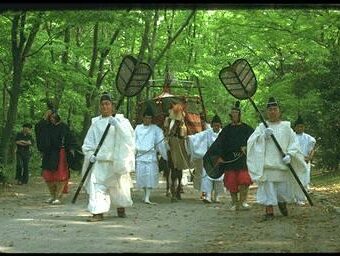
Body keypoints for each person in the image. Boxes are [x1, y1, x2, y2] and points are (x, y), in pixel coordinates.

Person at [247, 97, 308, 221]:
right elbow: (251, 142)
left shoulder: (287, 127)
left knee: (282, 190)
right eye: (270, 110)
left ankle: (282, 203)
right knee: (268, 188)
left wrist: (289, 155)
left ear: (279, 111)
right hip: (267, 165)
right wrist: (263, 137)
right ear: (266, 112)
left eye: (275, 109)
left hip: (282, 165)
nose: (272, 112)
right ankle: (269, 211)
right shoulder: (261, 127)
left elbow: (294, 143)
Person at [81, 92, 135, 222]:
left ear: (113, 106)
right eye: (102, 104)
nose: (105, 107)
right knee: (97, 186)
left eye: (107, 104)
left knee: (119, 186)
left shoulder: (122, 121)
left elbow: (129, 139)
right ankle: (98, 212)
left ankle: (121, 207)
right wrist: (90, 155)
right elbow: (88, 143)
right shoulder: (95, 123)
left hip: (116, 161)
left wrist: (118, 125)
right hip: (99, 162)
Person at [207, 101, 254, 210]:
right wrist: (218, 157)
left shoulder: (247, 129)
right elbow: (218, 144)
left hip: (242, 159)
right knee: (231, 182)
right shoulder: (226, 130)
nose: (234, 115)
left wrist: (247, 147)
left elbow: (255, 140)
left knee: (244, 180)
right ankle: (234, 203)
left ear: (239, 114)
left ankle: (243, 202)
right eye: (232, 113)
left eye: (236, 113)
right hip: (229, 160)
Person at [35, 109, 77, 205]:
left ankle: (58, 197)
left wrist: (71, 149)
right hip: (48, 153)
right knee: (48, 176)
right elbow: (38, 128)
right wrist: (44, 117)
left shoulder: (63, 127)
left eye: (54, 117)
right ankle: (52, 196)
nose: (52, 119)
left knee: (60, 175)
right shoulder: (46, 126)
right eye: (50, 118)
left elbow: (70, 139)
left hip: (60, 153)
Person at [186, 114, 225, 203]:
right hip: (209, 159)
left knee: (219, 179)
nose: (216, 127)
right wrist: (189, 138)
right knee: (207, 178)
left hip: (219, 159)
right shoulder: (207, 133)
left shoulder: (224, 134)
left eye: (218, 125)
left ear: (220, 125)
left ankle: (217, 196)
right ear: (212, 125)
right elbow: (197, 137)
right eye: (215, 125)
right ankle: (208, 195)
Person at [134, 105, 168, 204]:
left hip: (151, 156)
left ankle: (147, 197)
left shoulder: (156, 129)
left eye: (150, 118)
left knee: (149, 176)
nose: (148, 120)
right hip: (140, 156)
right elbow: (133, 140)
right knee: (142, 176)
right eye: (146, 118)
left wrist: (164, 154)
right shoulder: (138, 128)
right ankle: (145, 195)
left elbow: (160, 143)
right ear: (143, 118)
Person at [294, 115, 316, 205]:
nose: (300, 128)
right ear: (295, 127)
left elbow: (312, 149)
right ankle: (297, 198)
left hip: (306, 161)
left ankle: (303, 196)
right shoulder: (292, 137)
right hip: (295, 161)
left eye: (302, 126)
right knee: (296, 179)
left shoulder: (309, 138)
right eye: (298, 126)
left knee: (305, 179)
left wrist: (309, 157)